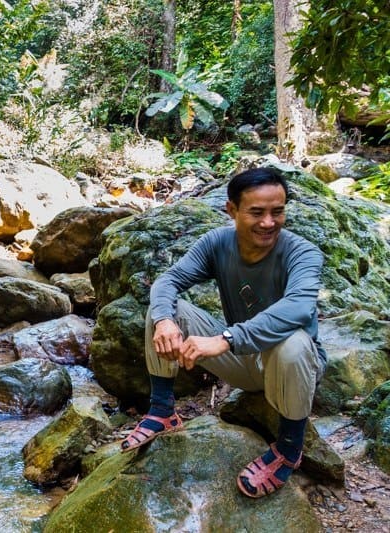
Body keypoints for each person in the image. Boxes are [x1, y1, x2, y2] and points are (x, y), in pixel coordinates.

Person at [120, 167, 327, 499]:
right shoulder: (217, 243)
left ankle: (289, 448)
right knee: (165, 310)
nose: (269, 222)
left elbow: (299, 308)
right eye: (257, 212)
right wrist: (164, 321)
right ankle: (162, 410)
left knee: (295, 340)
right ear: (231, 210)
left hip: (291, 365)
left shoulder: (302, 253)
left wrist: (226, 338)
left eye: (278, 211)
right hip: (244, 361)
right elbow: (167, 281)